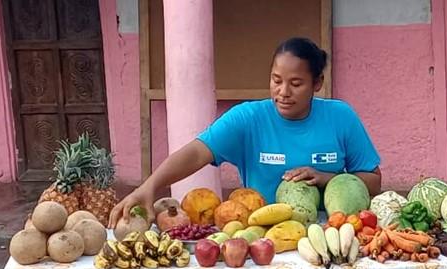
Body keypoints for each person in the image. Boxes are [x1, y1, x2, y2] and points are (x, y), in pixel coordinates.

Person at [108, 37, 382, 228]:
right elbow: (196, 152)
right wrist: (149, 186)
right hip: (261, 237)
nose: (283, 92)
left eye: (296, 83)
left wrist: (327, 178)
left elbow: (373, 180)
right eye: (276, 81)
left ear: (318, 83)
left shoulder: (340, 117)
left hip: (334, 234)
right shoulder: (248, 118)